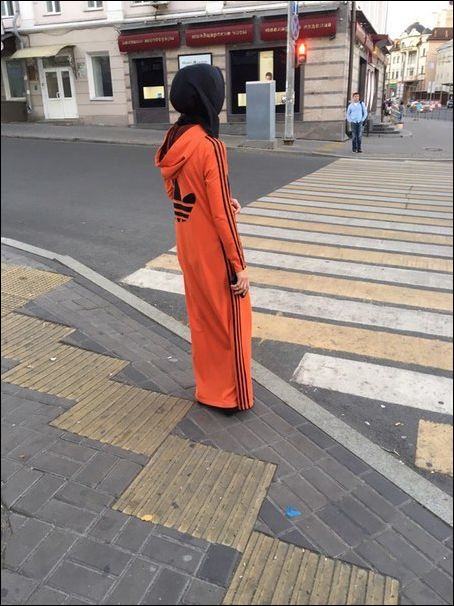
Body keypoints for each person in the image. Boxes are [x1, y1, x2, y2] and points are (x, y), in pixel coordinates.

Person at [155, 64, 253, 414]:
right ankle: (229, 395)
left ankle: (208, 387)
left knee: (202, 321)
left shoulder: (173, 139)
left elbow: (178, 193)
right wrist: (239, 265)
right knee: (231, 322)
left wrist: (223, 200)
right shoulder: (210, 146)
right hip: (213, 251)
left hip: (188, 245)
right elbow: (221, 216)